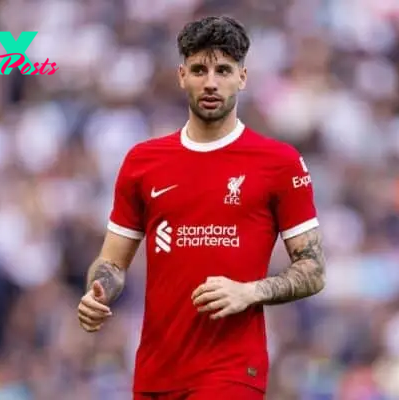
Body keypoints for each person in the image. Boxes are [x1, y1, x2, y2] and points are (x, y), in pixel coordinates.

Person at [77, 15, 327, 400]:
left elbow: (313, 269)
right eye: (199, 69)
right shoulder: (143, 162)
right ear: (182, 75)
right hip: (157, 370)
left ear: (242, 77)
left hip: (231, 370)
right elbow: (112, 263)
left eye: (223, 70)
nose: (210, 82)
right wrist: (99, 291)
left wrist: (249, 292)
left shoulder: (279, 163)